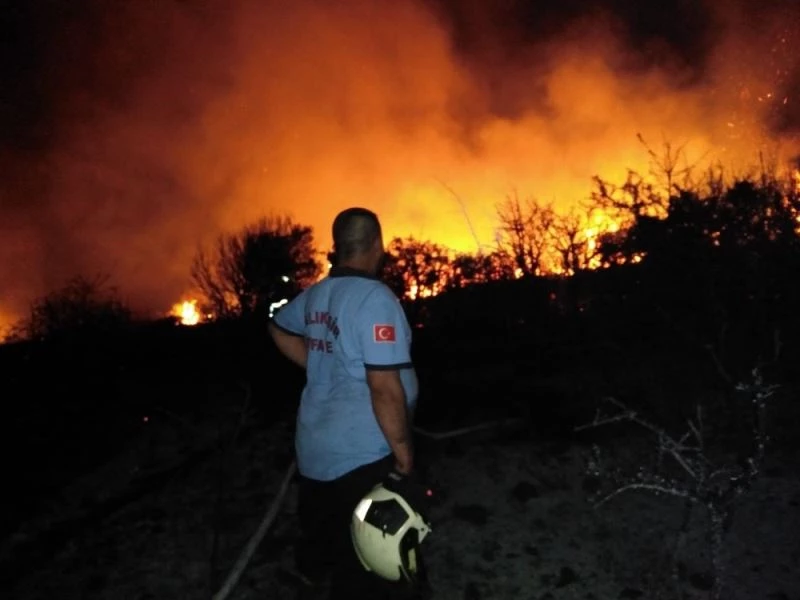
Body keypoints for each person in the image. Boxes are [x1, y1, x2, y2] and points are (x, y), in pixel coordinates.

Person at [268, 207, 428, 599]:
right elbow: (384, 388)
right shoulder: (374, 298)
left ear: (337, 248)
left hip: (316, 454)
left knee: (339, 551)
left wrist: (323, 367)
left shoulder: (317, 294)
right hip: (363, 458)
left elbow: (277, 326)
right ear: (377, 244)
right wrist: (404, 454)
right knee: (381, 569)